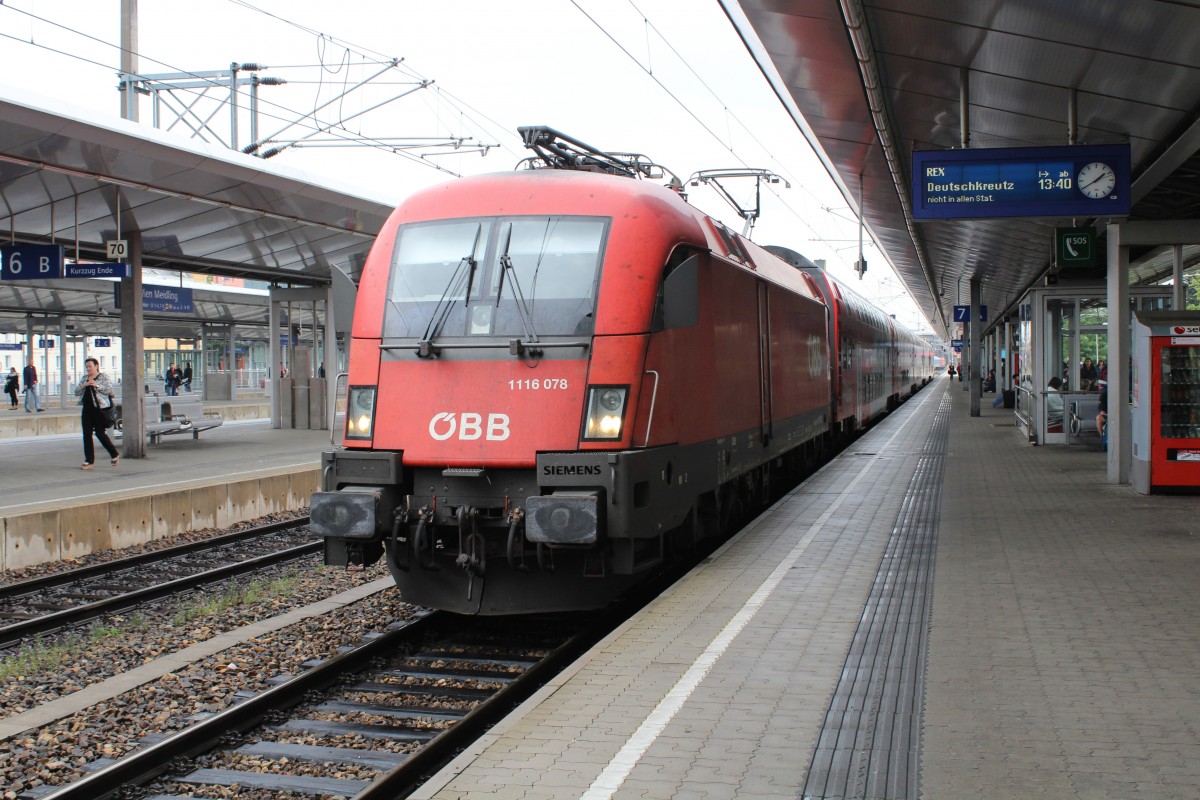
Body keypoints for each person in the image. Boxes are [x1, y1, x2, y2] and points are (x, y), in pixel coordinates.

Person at [75, 357, 119, 469]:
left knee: (100, 433)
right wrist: (84, 385)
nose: (88, 369)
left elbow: (109, 390)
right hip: (87, 409)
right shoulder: (84, 378)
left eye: (90, 366)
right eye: (86, 367)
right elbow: (76, 392)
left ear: (96, 366)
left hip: (99, 409)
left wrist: (97, 385)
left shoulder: (103, 377)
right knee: (86, 434)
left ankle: (114, 453)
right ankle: (89, 461)